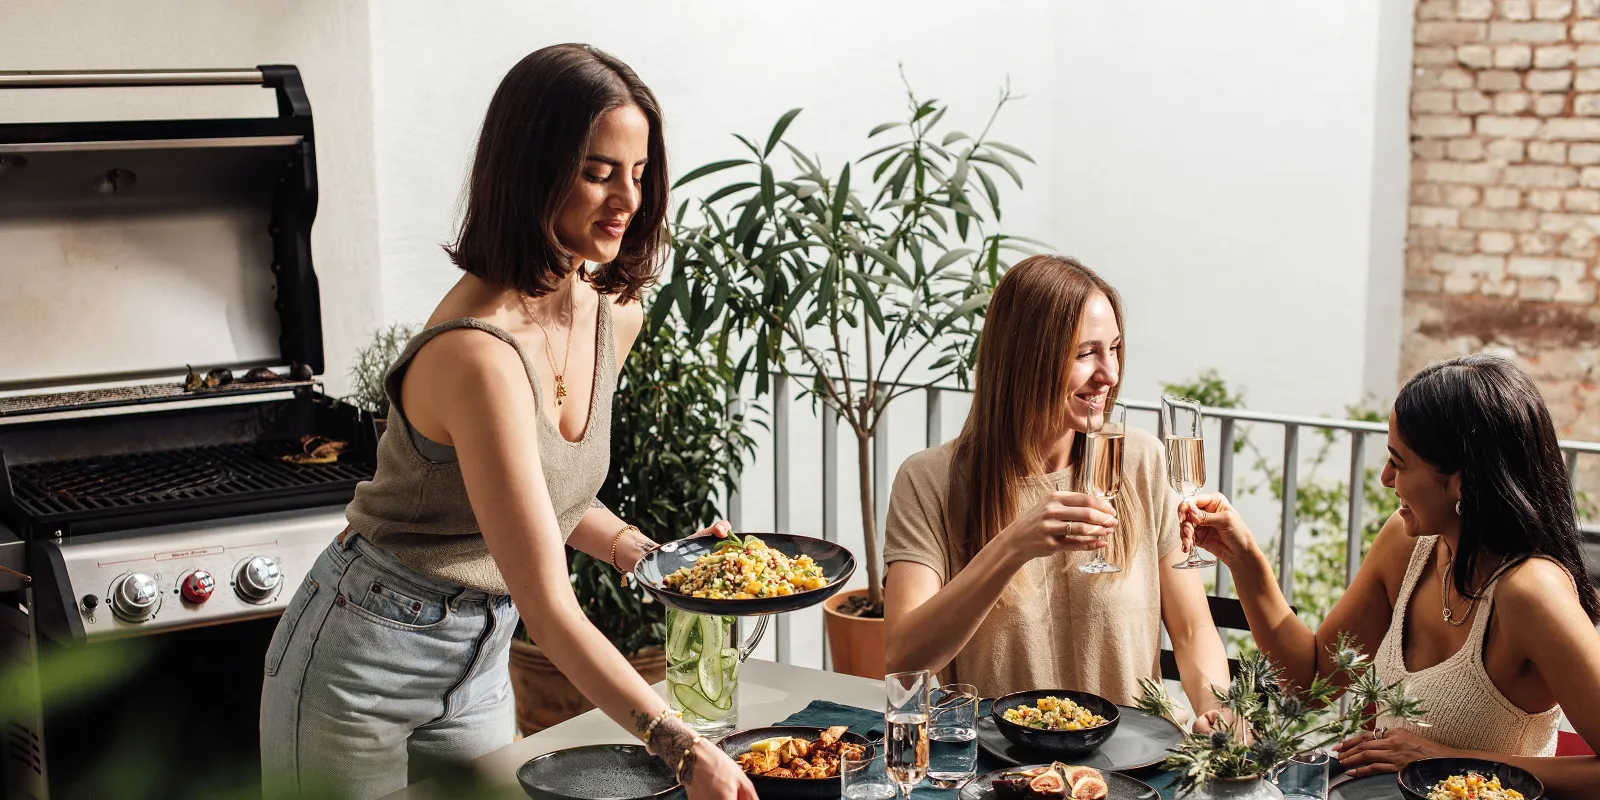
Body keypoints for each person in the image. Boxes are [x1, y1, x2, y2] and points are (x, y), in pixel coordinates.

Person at [259, 44, 756, 800]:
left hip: (479, 657)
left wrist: (651, 557)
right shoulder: (476, 355)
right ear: (532, 172)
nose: (627, 198)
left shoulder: (610, 314)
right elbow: (550, 610)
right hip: (362, 656)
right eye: (597, 173)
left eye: (639, 171)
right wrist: (681, 748)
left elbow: (551, 495)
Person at [1183, 354, 1600, 795]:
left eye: (1399, 463)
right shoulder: (1408, 546)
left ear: (1460, 481)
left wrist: (1446, 761)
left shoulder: (1530, 592)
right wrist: (1244, 558)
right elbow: (1310, 682)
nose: (1385, 478)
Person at [883, 254, 1231, 725]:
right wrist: (1012, 547)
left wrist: (1216, 708)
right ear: (1026, 359)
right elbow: (904, 658)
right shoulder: (929, 481)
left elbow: (1191, 631)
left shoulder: (1140, 461)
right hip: (1003, 771)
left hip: (1136, 764)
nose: (1108, 374)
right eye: (1086, 353)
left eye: (1115, 348)